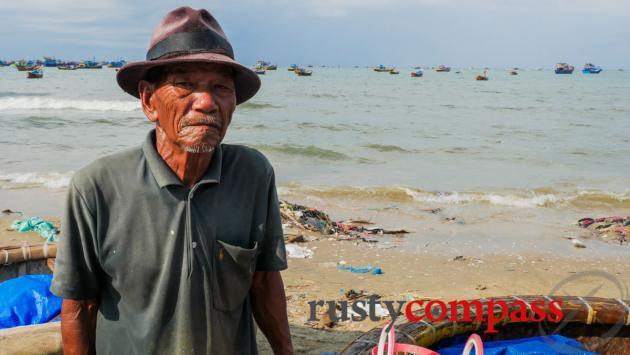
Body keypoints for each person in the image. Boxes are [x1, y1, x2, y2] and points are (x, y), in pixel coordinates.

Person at [50, 7, 292, 355]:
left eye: (221, 87)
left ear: (234, 102)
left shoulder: (253, 174)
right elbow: (79, 306)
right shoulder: (96, 187)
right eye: (185, 85)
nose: (206, 102)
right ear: (149, 100)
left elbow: (265, 280)